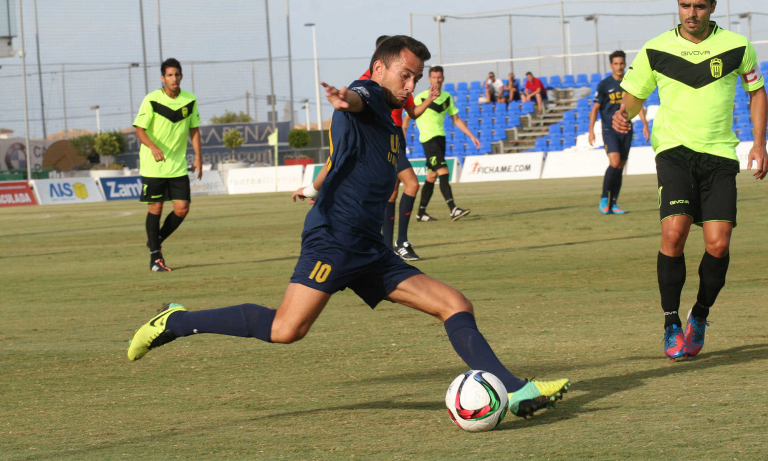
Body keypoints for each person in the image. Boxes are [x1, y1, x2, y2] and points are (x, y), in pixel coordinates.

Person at [127, 36, 570, 418]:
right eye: (405, 75)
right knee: (286, 329)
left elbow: (341, 160)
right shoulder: (368, 96)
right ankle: (175, 321)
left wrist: (313, 186)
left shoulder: (392, 125)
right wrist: (347, 99)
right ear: (379, 69)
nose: (411, 85)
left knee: (455, 304)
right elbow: (358, 99)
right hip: (335, 240)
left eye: (416, 78)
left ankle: (515, 391)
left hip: (370, 248)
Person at [613, 0, 767, 360]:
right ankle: (671, 323)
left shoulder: (738, 46)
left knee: (718, 244)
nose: (691, 13)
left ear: (712, 6)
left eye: (699, 6)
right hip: (674, 151)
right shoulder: (655, 49)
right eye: (685, 5)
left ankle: (699, 314)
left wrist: (759, 143)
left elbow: (757, 92)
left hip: (720, 155)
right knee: (674, 233)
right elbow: (634, 97)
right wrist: (624, 115)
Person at [360, 35, 438, 261]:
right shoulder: (368, 80)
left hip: (396, 137)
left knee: (394, 192)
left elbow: (412, 113)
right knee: (410, 184)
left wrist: (429, 99)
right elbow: (358, 99)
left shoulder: (404, 82)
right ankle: (400, 242)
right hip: (384, 135)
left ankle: (389, 246)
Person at [134, 58, 202, 272]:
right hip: (153, 165)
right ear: (163, 78)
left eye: (177, 74)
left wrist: (198, 156)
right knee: (156, 208)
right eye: (170, 75)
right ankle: (155, 259)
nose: (174, 78)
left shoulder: (190, 100)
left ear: (181, 76)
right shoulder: (151, 99)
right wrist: (153, 147)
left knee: (182, 209)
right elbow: (139, 129)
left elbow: (194, 129)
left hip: (177, 165)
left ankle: (156, 240)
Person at [412, 66, 478, 222]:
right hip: (429, 140)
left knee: (431, 175)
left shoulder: (447, 97)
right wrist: (401, 132)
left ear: (443, 78)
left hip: (441, 139)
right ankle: (453, 209)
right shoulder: (421, 98)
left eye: (439, 77)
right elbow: (409, 116)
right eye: (434, 77)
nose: (437, 80)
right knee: (443, 171)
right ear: (429, 79)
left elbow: (456, 119)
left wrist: (471, 136)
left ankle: (421, 213)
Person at [588, 50, 650, 214]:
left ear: (625, 64)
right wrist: (591, 131)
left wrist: (644, 124)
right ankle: (604, 197)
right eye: (616, 64)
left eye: (621, 63)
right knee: (614, 163)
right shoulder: (604, 85)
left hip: (626, 129)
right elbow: (595, 109)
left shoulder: (630, 83)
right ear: (611, 65)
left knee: (620, 166)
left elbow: (637, 104)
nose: (619, 66)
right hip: (609, 129)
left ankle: (613, 203)